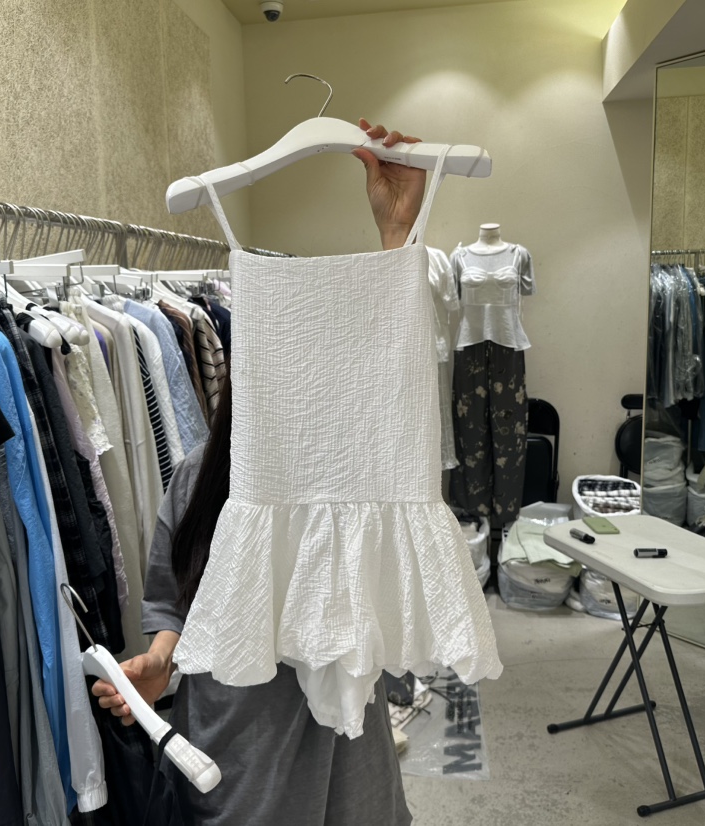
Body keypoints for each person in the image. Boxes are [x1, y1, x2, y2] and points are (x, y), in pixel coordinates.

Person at [91, 120, 426, 824]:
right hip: (232, 761)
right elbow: (171, 599)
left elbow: (393, 372)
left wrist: (398, 235)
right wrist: (160, 661)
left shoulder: (365, 485)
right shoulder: (200, 479)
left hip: (346, 761)